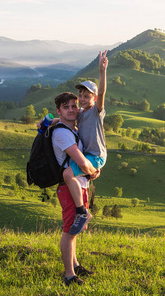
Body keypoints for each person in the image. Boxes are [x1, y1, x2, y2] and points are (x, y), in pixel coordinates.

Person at [52, 92, 100, 286]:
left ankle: (75, 264)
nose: (72, 110)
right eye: (66, 107)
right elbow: (80, 161)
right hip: (69, 188)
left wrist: (48, 120)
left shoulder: (71, 128)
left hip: (78, 186)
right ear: (59, 110)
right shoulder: (62, 133)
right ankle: (69, 276)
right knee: (69, 230)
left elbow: (84, 111)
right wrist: (93, 171)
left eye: (74, 106)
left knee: (75, 228)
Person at [62, 50, 108, 235]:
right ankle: (81, 210)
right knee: (69, 175)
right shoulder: (80, 114)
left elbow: (103, 91)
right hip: (88, 155)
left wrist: (102, 71)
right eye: (80, 95)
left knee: (67, 174)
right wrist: (47, 121)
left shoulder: (96, 111)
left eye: (87, 96)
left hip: (96, 156)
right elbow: (64, 118)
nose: (82, 99)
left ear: (94, 98)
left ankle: (83, 212)